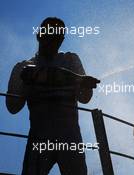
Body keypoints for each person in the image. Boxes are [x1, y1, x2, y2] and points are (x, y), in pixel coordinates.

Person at [6, 17, 98, 175]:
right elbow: (12, 107)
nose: (53, 39)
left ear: (62, 40)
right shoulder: (22, 67)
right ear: (39, 35)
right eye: (50, 33)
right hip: (39, 137)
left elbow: (85, 98)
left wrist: (84, 85)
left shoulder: (71, 59)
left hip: (71, 138)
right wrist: (26, 82)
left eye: (58, 35)